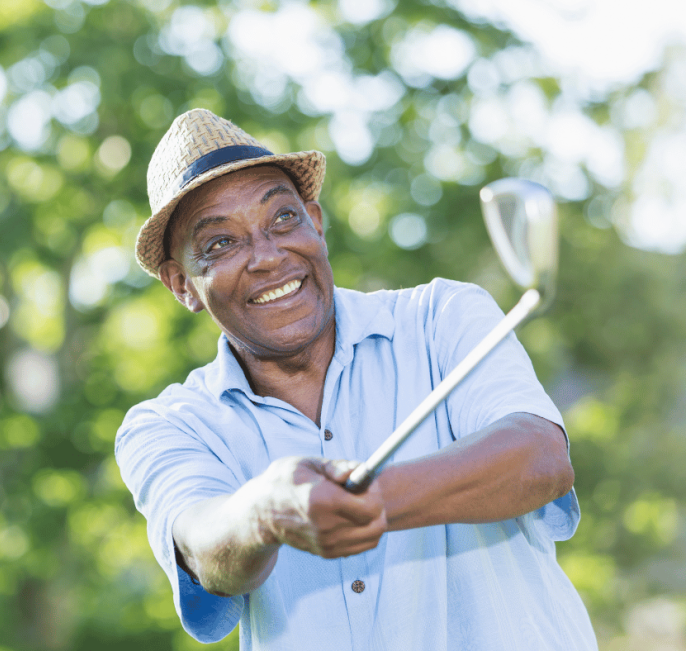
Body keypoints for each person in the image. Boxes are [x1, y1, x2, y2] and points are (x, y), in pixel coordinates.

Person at [114, 109, 597, 650]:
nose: (268, 256)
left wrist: (366, 500)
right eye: (221, 243)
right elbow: (202, 546)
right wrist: (268, 512)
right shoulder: (165, 426)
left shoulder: (441, 316)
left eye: (283, 220)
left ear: (315, 222)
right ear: (181, 285)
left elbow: (539, 458)